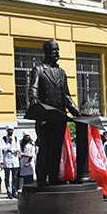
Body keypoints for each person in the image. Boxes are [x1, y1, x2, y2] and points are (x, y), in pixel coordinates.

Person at [27, 40, 82, 186]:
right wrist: (33, 99)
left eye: (57, 49)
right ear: (46, 52)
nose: (56, 52)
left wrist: (77, 112)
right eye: (53, 50)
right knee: (45, 148)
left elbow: (67, 96)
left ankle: (53, 176)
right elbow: (33, 88)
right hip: (45, 116)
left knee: (57, 148)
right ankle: (41, 178)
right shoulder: (38, 69)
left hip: (59, 117)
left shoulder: (62, 72)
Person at [1, 125, 21, 198]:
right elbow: (4, 149)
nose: (10, 131)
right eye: (9, 130)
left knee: (14, 177)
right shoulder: (3, 139)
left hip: (15, 161)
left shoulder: (16, 138)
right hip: (7, 160)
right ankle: (8, 191)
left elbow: (18, 148)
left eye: (11, 130)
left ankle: (13, 191)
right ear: (6, 131)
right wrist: (9, 144)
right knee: (7, 177)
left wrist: (11, 150)